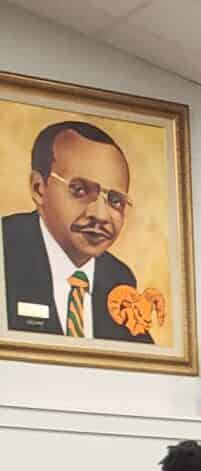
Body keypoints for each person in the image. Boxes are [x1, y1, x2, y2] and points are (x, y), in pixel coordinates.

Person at [2, 119, 153, 341]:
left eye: (115, 200)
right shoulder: (6, 246)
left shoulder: (118, 278)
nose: (100, 215)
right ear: (39, 188)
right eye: (80, 190)